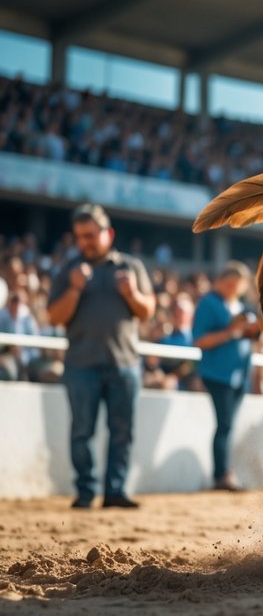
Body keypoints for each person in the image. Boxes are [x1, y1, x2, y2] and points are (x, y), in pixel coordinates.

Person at [46, 203, 156, 509]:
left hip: (125, 365)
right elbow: (54, 316)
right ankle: (85, 492)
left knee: (123, 433)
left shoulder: (131, 267)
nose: (85, 242)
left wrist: (131, 293)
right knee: (81, 432)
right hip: (81, 366)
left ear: (108, 233)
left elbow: (148, 312)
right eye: (79, 236)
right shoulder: (68, 270)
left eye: (90, 235)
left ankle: (114, 493)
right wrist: (73, 290)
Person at [193, 261, 263, 491]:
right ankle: (221, 474)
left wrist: (253, 332)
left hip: (238, 375)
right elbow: (200, 340)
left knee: (228, 426)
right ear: (220, 282)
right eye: (230, 284)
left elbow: (249, 337)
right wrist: (231, 332)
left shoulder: (238, 305)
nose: (233, 289)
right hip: (218, 374)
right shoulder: (209, 303)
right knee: (224, 425)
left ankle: (224, 472)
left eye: (237, 285)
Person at [0, 285, 40, 380]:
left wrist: (22, 353)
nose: (16, 304)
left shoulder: (27, 318)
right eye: (14, 300)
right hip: (5, 356)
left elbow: (34, 343)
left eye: (18, 300)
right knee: (9, 374)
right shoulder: (2, 316)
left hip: (25, 357)